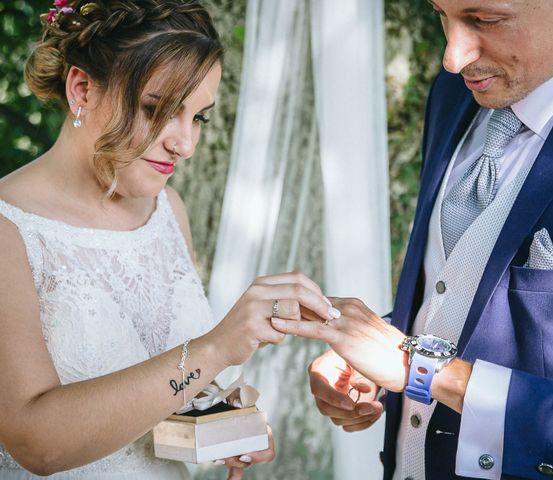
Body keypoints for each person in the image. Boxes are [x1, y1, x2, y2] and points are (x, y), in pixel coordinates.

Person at [272, 0, 553, 479]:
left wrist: (422, 369)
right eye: (440, 14)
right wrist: (374, 350)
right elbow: (471, 293)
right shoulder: (455, 94)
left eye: (485, 19)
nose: (453, 56)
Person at [0, 1, 339, 479]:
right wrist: (216, 348)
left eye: (198, 117)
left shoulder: (167, 210)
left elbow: (156, 390)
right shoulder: (9, 231)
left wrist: (222, 416)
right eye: (157, 110)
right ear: (82, 89)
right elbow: (37, 445)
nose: (185, 143)